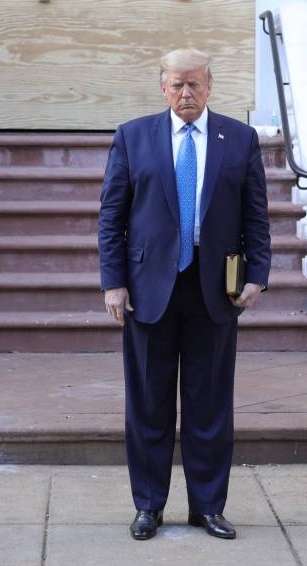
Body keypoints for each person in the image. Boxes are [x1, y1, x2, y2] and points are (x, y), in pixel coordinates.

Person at [98, 48, 272, 541]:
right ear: (162, 87)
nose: (186, 94)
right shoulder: (133, 137)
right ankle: (149, 505)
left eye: (194, 84)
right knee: (149, 404)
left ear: (210, 85)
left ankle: (208, 507)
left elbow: (255, 215)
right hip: (148, 290)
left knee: (210, 404)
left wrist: (257, 272)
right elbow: (112, 216)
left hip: (214, 292)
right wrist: (113, 280)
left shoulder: (238, 140)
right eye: (176, 85)